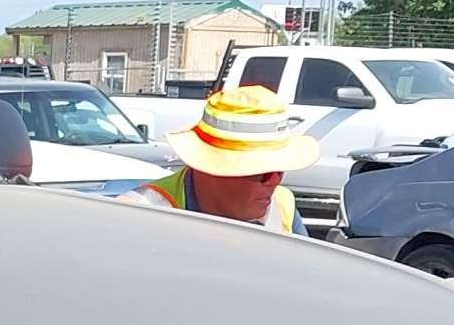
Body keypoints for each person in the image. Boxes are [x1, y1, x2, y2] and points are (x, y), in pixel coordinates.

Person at [131, 83, 317, 233]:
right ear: (210, 168)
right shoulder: (139, 213)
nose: (275, 181)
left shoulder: (283, 206)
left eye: (280, 169)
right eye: (263, 173)